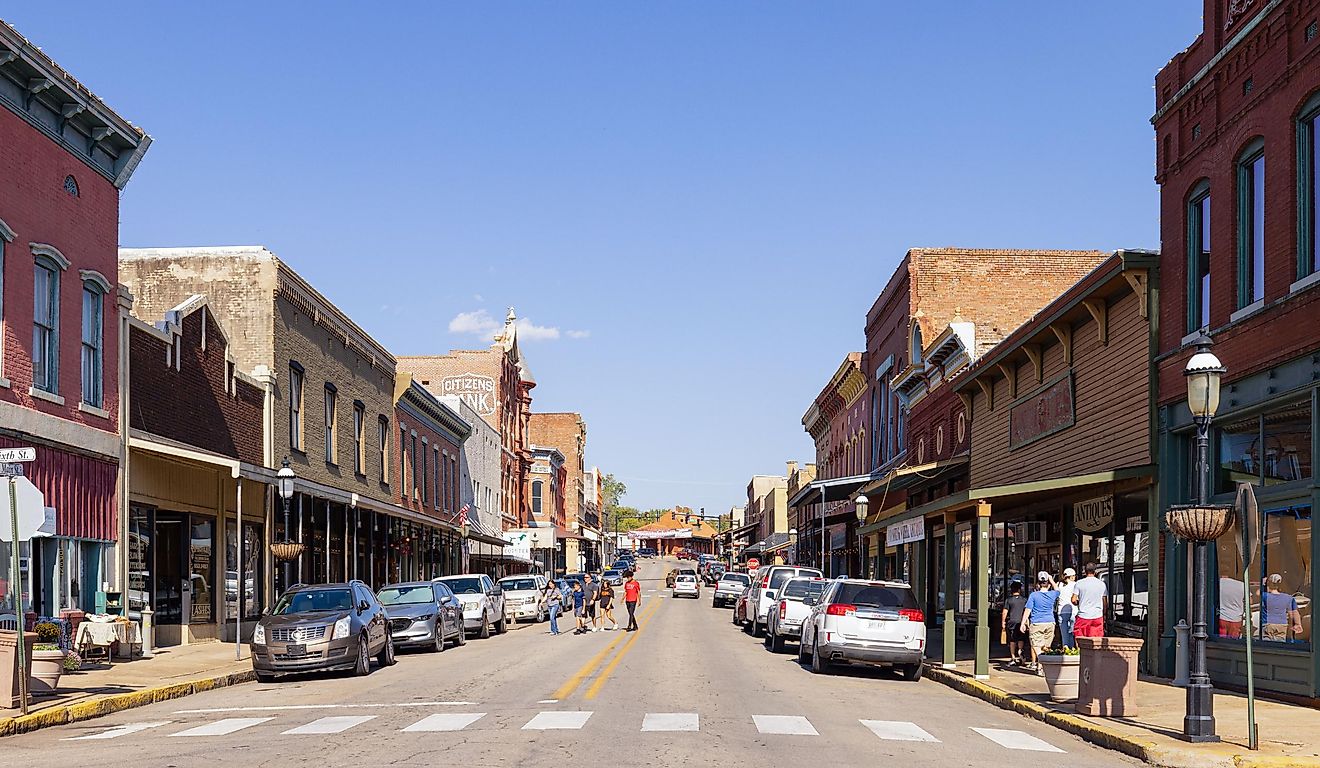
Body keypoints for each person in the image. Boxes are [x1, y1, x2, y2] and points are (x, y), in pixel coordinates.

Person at [1019, 572, 1059, 673]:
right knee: (1046, 647)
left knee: (1037, 647)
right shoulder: (1052, 594)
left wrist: (1023, 623)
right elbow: (1057, 589)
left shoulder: (1033, 595)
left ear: (1038, 584)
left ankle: (1042, 666)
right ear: (1048, 584)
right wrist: (1051, 579)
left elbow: (1028, 610)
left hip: (1036, 623)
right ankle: (1040, 668)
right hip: (1050, 622)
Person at [1262, 573, 1303, 641]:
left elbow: (1257, 594)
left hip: (1268, 624)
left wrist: (1263, 585)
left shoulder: (1264, 596)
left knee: (1267, 646)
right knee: (1280, 645)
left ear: (1269, 583)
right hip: (1282, 624)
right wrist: (1297, 624)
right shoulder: (1288, 598)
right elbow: (1293, 613)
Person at [1072, 562, 1108, 639]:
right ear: (1095, 572)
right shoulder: (1102, 584)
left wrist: (1079, 602)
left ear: (1085, 571)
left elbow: (1073, 599)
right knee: (1096, 641)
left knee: (1080, 640)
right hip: (1097, 616)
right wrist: (1104, 614)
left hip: (1083, 616)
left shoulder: (1079, 583)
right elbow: (1105, 602)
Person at [1001, 582, 1028, 665]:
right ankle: (1020, 653)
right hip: (1021, 622)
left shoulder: (1008, 600)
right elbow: (1027, 611)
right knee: (1021, 639)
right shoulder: (1024, 600)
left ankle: (1013, 657)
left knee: (1012, 640)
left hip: (1012, 622)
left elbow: (1005, 612)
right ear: (1019, 590)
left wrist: (1003, 622)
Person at [1055, 567, 1077, 648]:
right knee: (1071, 634)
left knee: (1064, 635)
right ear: (1071, 576)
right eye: (1074, 575)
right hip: (1073, 611)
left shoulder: (1059, 585)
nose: (1075, 577)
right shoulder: (1075, 585)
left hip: (1062, 612)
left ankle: (1066, 649)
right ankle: (1072, 650)